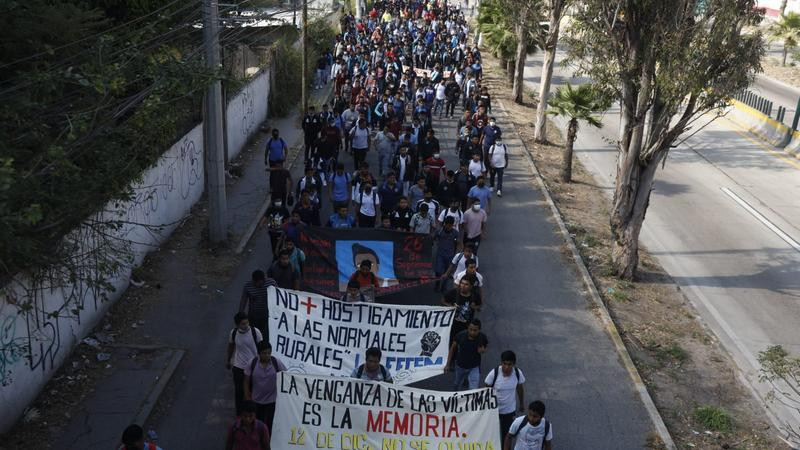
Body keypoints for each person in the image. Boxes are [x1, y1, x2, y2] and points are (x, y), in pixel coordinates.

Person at [244, 341, 286, 433]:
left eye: (268, 353)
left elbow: (285, 376)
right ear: (259, 353)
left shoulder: (276, 362)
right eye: (264, 353)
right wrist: (247, 396)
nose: (267, 355)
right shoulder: (252, 363)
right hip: (257, 401)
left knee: (270, 424)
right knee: (258, 424)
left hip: (272, 401)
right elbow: (246, 381)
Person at [227, 312, 263, 417]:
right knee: (239, 392)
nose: (246, 325)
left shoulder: (255, 332)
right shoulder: (233, 333)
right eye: (243, 324)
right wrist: (228, 360)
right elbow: (230, 347)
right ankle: (239, 415)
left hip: (254, 367)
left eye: (247, 323)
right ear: (237, 325)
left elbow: (261, 348)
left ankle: (253, 414)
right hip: (239, 367)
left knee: (253, 392)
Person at [485, 351, 526, 443]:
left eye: (509, 364)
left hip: (508, 410)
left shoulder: (517, 373)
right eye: (504, 364)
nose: (506, 367)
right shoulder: (494, 373)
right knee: (491, 433)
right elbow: (486, 390)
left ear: (514, 364)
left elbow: (520, 389)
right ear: (501, 362)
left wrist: (521, 404)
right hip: (494, 409)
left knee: (506, 435)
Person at [446, 318, 488, 390]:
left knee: (473, 390)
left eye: (475, 330)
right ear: (468, 328)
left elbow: (485, 346)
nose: (472, 332)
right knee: (457, 384)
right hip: (460, 366)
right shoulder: (460, 335)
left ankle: (467, 380)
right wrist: (448, 364)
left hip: (474, 367)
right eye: (470, 329)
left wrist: (483, 351)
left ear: (479, 330)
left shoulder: (482, 337)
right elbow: (452, 348)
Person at [239, 270, 276, 339]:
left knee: (266, 335)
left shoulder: (271, 283)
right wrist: (240, 315)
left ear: (264, 280)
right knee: (253, 335)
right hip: (253, 315)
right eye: (256, 282)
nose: (258, 284)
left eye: (260, 282)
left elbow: (279, 296)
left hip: (267, 315)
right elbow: (243, 301)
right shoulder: (248, 286)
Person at [434, 216, 460, 291]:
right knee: (438, 271)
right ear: (445, 223)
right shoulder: (439, 231)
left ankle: (443, 286)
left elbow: (458, 243)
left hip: (450, 255)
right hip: (440, 255)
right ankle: (437, 283)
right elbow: (433, 238)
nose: (449, 226)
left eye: (451, 225)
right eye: (448, 224)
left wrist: (457, 254)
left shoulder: (455, 233)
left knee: (447, 272)